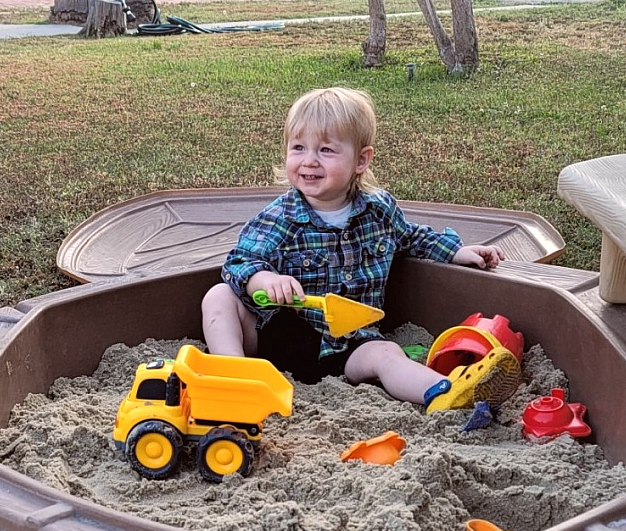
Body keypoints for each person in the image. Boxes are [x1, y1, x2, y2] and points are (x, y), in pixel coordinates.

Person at [201, 86, 519, 413]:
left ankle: (445, 392)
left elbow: (409, 237)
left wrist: (454, 252)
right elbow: (240, 262)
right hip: (280, 338)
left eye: (326, 150)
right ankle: (233, 376)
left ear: (361, 160)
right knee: (218, 296)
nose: (309, 160)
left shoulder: (379, 211)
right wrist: (264, 279)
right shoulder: (278, 219)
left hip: (350, 347)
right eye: (298, 147)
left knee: (387, 355)